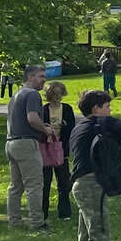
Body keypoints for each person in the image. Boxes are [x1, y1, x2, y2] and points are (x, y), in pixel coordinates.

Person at [70, 89, 121, 241]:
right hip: (91, 186)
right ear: (96, 109)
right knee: (100, 237)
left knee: (85, 237)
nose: (110, 110)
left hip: (80, 185)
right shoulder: (103, 122)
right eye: (107, 106)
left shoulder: (79, 128)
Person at [7, 63, 51, 231]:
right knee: (34, 185)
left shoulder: (17, 94)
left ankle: (14, 221)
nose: (44, 80)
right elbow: (32, 119)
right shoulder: (32, 94)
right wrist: (45, 129)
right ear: (30, 77)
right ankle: (37, 223)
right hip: (26, 143)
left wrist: (40, 125)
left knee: (15, 186)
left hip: (11, 142)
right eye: (41, 76)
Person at [42, 80, 75, 222]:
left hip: (62, 148)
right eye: (55, 94)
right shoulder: (44, 109)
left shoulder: (66, 108)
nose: (58, 97)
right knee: (45, 183)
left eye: (60, 94)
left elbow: (72, 128)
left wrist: (64, 126)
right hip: (46, 149)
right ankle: (43, 213)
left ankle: (64, 212)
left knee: (64, 182)